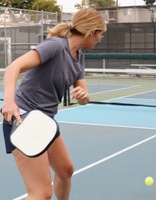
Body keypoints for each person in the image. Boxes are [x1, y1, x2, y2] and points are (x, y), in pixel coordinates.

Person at [1, 8, 106, 199]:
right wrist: (9, 101)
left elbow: (84, 97)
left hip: (44, 122)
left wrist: (83, 96)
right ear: (93, 32)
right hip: (24, 119)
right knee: (41, 193)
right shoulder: (55, 46)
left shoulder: (79, 59)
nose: (100, 39)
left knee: (66, 171)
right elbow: (12, 68)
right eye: (101, 34)